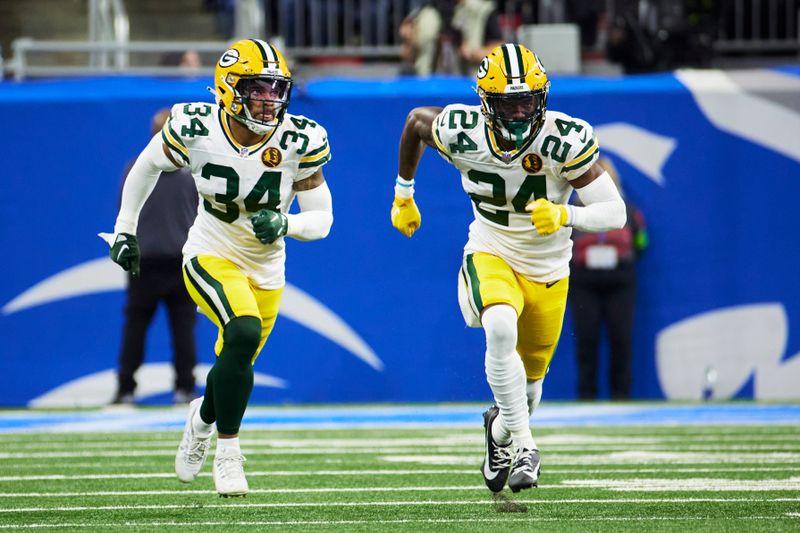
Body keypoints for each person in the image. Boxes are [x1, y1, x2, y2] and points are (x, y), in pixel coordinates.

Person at [101, 39, 333, 497]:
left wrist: (287, 223)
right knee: (243, 331)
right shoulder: (194, 125)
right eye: (259, 89)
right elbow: (145, 168)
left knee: (236, 360)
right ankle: (228, 452)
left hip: (267, 268)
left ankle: (202, 418)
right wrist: (125, 228)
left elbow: (323, 219)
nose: (270, 100)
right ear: (229, 89)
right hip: (209, 251)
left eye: (275, 89)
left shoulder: (299, 138)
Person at [391, 43, 625, 493]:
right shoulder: (464, 131)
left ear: (542, 99)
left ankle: (500, 431)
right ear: (485, 103)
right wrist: (404, 192)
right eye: (507, 103)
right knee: (499, 326)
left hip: (549, 267)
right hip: (491, 249)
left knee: (529, 389)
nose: (519, 114)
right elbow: (416, 122)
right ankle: (524, 445)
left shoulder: (562, 139)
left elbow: (615, 213)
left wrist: (565, 215)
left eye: (527, 102)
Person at [111, 109, 199, 406]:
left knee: (138, 327)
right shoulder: (194, 171)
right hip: (175, 260)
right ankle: (184, 389)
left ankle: (126, 389)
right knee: (181, 328)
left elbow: (123, 212)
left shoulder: (135, 168)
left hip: (146, 260)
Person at [569, 157, 647, 400]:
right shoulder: (571, 210)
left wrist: (622, 259)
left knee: (620, 338)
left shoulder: (629, 211)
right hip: (583, 281)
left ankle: (621, 394)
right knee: (586, 338)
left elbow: (642, 242)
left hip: (619, 281)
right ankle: (587, 395)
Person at [400, 0, 503, 75]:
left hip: (470, 83)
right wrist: (408, 42)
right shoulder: (427, 12)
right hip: (430, 84)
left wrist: (473, 53)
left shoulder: (482, 10)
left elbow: (499, 52)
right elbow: (407, 56)